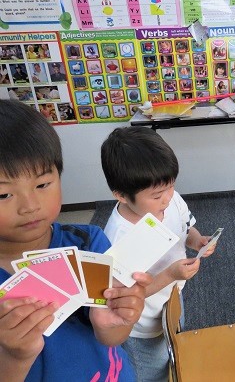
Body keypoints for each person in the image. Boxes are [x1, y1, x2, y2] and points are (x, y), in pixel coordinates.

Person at [0, 99, 151, 381]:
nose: (30, 206)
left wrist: (119, 320)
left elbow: (112, 336)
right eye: (3, 194)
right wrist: (14, 356)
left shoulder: (88, 242)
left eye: (43, 184)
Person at [100, 126, 217, 382]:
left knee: (174, 349)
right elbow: (124, 296)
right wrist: (170, 274)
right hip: (141, 323)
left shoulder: (171, 199)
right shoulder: (120, 237)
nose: (167, 198)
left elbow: (186, 225)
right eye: (156, 195)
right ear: (121, 195)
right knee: (151, 372)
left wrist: (196, 240)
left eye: (171, 187)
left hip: (171, 299)